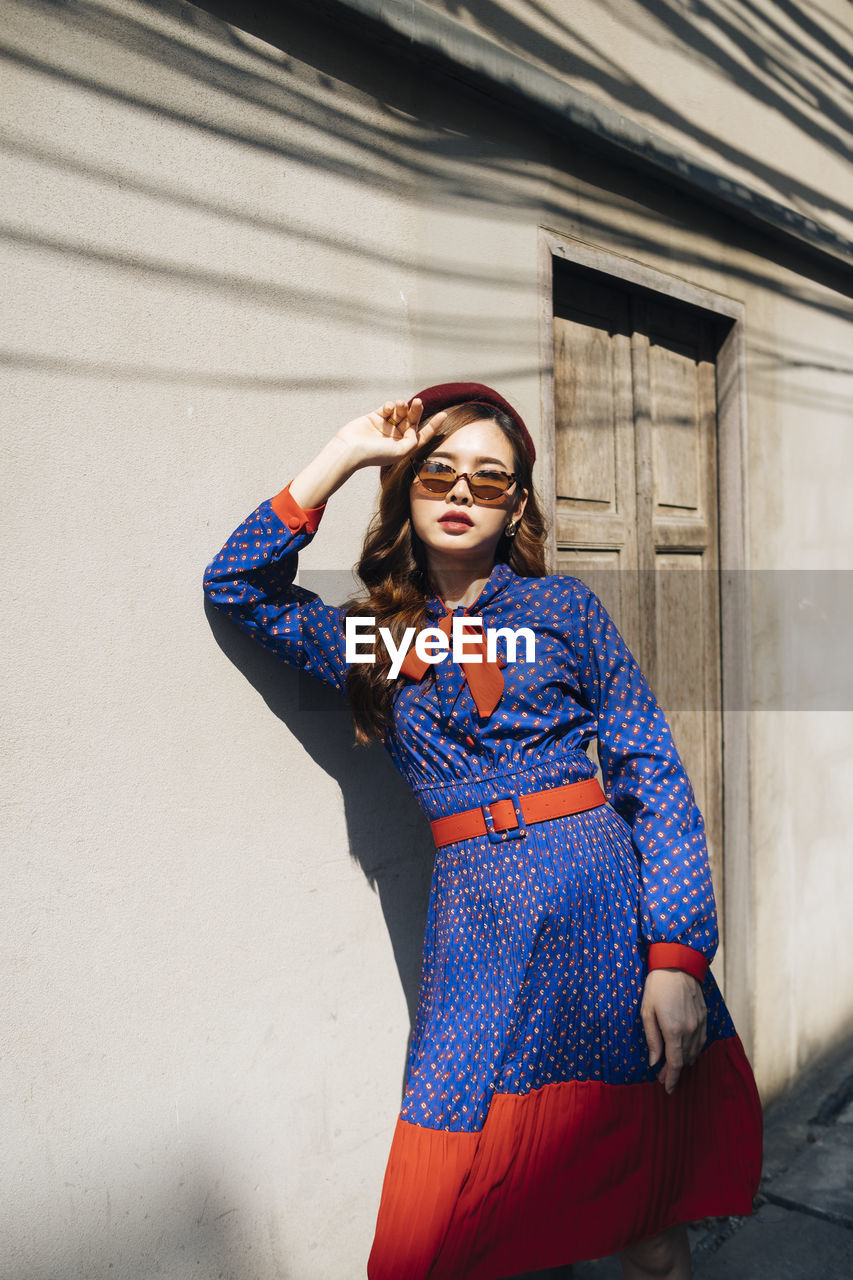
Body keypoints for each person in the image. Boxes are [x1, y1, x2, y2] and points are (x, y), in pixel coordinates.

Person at [202, 383, 763, 1280]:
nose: (461, 494)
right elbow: (236, 584)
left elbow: (651, 774)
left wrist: (676, 962)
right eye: (438, 474)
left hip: (605, 922)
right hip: (480, 933)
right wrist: (344, 455)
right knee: (448, 1221)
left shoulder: (565, 614)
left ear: (514, 508)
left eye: (488, 481)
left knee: (648, 1227)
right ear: (407, 490)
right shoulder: (378, 641)